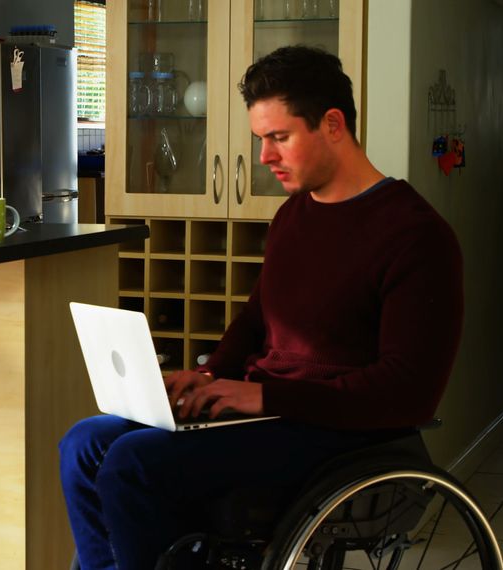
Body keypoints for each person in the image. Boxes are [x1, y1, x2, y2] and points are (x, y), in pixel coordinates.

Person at [59, 45, 464, 570]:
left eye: (279, 138)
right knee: (84, 443)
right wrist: (212, 377)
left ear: (333, 124)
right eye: (261, 140)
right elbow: (257, 320)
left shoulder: (417, 235)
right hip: (271, 412)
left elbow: (408, 393)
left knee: (132, 465)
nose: (265, 156)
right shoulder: (295, 216)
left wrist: (264, 396)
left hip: (338, 433)